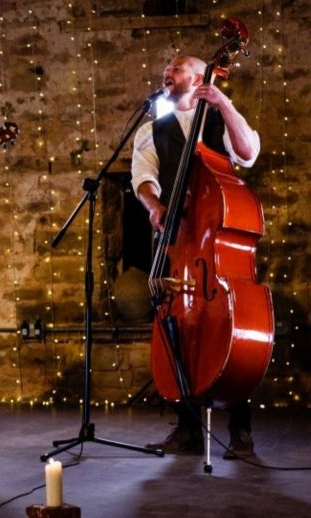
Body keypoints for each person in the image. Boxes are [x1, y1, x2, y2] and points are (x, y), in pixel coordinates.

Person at [131, 55, 261, 459]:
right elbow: (143, 179)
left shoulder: (220, 117)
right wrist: (154, 206)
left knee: (233, 328)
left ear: (201, 75)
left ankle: (240, 434)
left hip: (218, 250)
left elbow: (248, 153)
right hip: (178, 242)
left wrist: (224, 103)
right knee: (180, 326)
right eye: (165, 67)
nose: (167, 72)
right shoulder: (152, 129)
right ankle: (187, 429)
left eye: (177, 66)